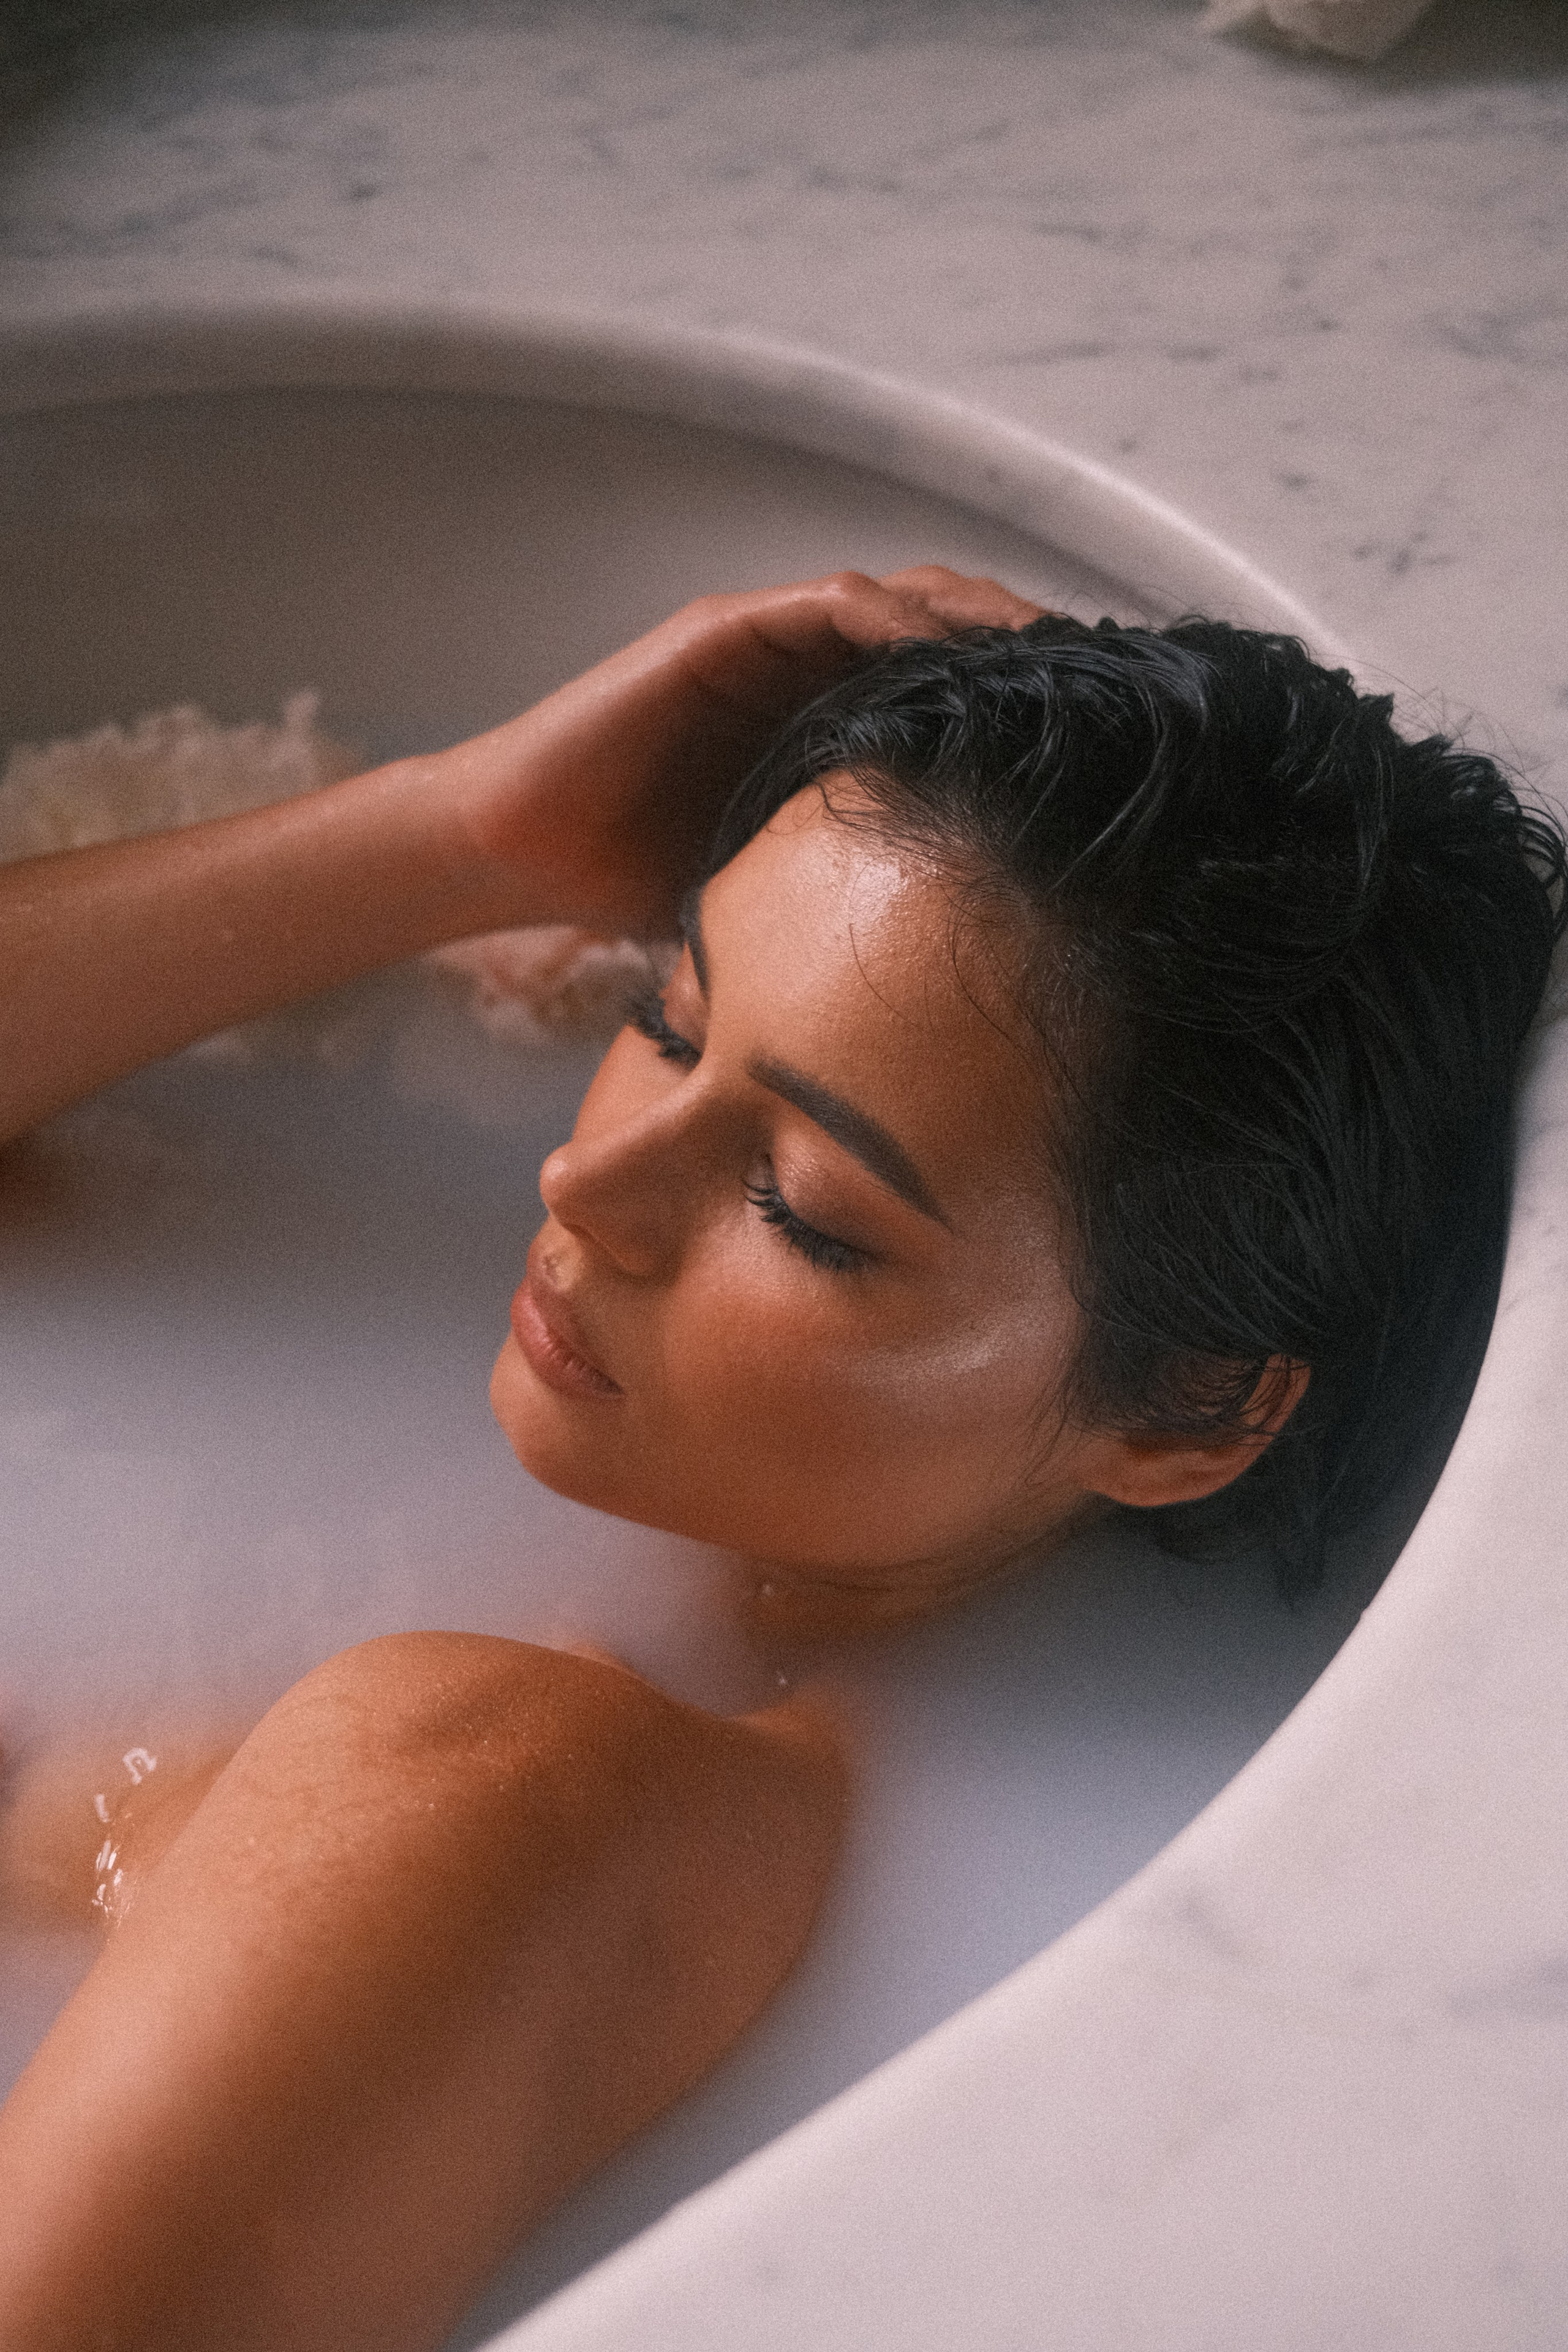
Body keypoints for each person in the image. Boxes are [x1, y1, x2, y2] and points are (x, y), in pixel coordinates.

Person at [0, 567, 1559, 2351]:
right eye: (668, 1017)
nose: (584, 1185)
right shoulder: (748, 1743)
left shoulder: (484, 1793)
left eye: (804, 1211)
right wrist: (474, 828)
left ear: (1188, 1411)